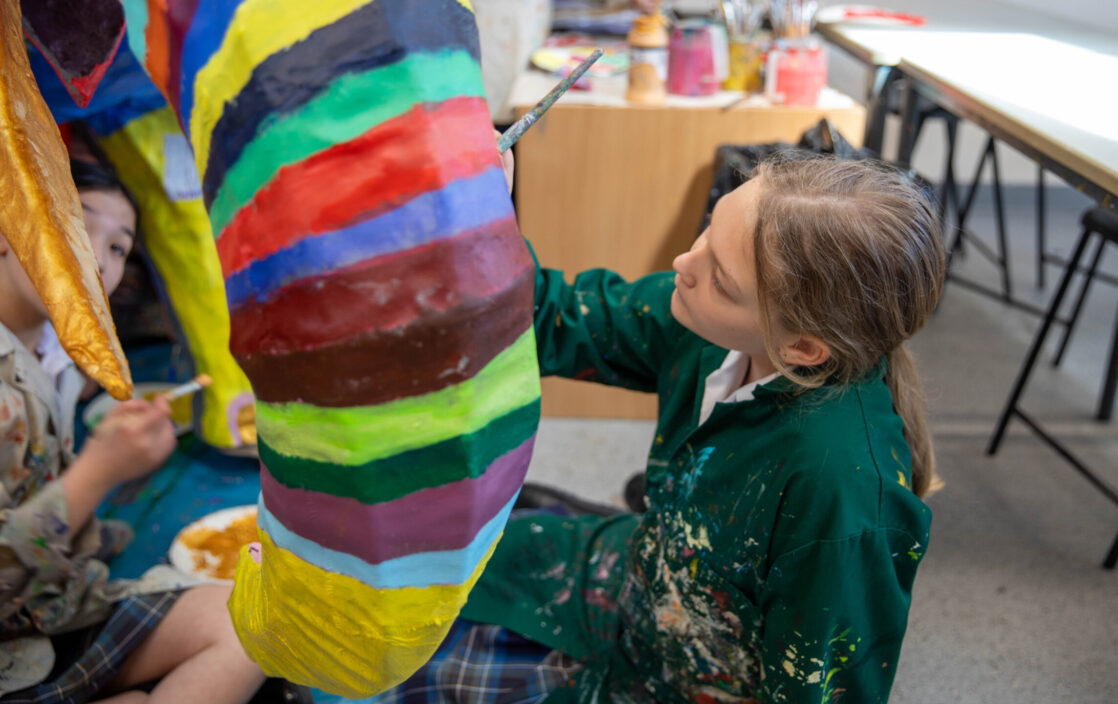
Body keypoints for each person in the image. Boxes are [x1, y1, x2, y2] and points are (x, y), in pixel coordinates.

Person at [373, 154, 946, 703]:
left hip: (693, 678)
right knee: (404, 578)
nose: (683, 263)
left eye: (721, 280)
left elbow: (818, 687)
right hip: (643, 578)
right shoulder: (715, 328)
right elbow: (558, 316)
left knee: (395, 675)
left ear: (801, 347)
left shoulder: (842, 495)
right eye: (708, 231)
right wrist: (481, 232)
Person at [0, 160, 265, 703]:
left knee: (252, 622)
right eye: (76, 222)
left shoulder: (57, 359)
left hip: (55, 607)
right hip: (13, 650)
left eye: (118, 247)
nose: (98, 259)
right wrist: (97, 473)